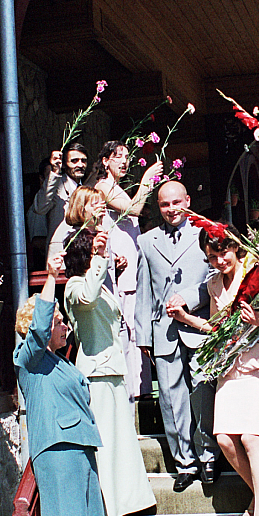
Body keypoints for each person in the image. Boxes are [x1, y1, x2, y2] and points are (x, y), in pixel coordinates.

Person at [166, 227, 259, 516]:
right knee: (224, 439)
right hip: (229, 366)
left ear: (236, 248)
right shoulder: (213, 284)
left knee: (250, 438)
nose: (219, 261)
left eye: (223, 254)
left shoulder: (258, 273)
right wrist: (187, 317)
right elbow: (219, 328)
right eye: (212, 257)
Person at [14, 254, 116, 516]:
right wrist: (52, 279)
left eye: (62, 321)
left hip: (78, 446)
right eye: (59, 321)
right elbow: (39, 329)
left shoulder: (61, 363)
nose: (64, 327)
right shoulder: (30, 359)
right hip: (56, 450)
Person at [64, 227, 156, 516]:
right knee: (106, 445)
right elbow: (87, 300)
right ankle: (108, 511)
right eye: (94, 253)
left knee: (122, 443)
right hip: (94, 372)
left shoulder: (99, 284)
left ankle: (129, 504)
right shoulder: (74, 286)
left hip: (112, 369)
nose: (101, 258)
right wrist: (100, 259)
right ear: (84, 257)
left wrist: (102, 261)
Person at [135, 180, 217, 491]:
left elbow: (215, 276)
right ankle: (185, 462)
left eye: (176, 203)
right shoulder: (147, 241)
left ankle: (209, 455)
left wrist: (189, 298)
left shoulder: (204, 233)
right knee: (171, 400)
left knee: (202, 393)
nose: (171, 210)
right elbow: (144, 289)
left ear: (187, 200)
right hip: (163, 332)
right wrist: (143, 334)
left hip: (198, 324)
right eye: (165, 205)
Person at [88, 140, 163, 399]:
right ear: (105, 161)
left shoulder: (117, 187)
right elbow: (134, 208)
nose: (124, 161)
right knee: (126, 328)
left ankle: (140, 388)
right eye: (118, 156)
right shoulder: (103, 186)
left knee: (136, 325)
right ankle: (131, 391)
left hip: (131, 266)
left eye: (127, 156)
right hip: (119, 271)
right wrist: (147, 181)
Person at [35, 141, 88, 242]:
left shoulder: (87, 188)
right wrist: (55, 172)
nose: (80, 165)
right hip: (61, 252)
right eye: (74, 161)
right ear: (63, 164)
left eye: (83, 161)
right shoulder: (57, 187)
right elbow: (40, 208)